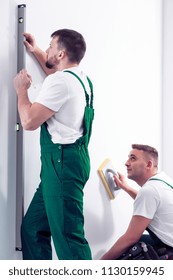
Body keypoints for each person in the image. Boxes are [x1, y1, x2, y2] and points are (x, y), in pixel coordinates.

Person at [13, 29, 94, 260]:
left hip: (62, 164)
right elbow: (53, 70)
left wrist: (21, 92)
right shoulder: (82, 80)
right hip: (69, 162)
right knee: (33, 228)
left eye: (50, 46)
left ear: (61, 54)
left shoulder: (61, 82)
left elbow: (28, 121)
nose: (47, 49)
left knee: (69, 238)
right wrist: (36, 49)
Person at [100, 144, 173, 259]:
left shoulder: (149, 190)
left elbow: (131, 238)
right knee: (139, 242)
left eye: (133, 158)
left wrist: (98, 265)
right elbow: (152, 203)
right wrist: (126, 187)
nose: (126, 163)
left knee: (130, 246)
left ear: (149, 164)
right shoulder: (163, 181)